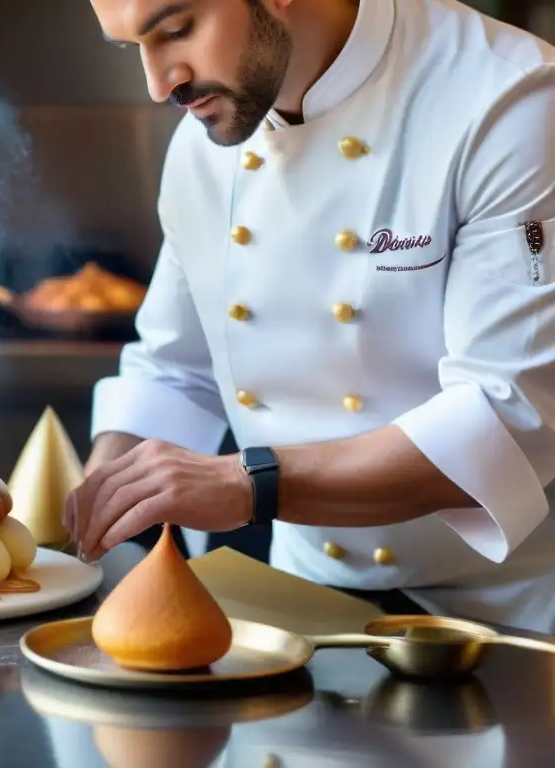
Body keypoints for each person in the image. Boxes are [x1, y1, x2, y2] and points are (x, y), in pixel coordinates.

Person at [66, 0, 555, 633]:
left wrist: (250, 484)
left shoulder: (508, 99)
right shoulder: (206, 140)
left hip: (510, 617)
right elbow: (175, 368)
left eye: (176, 30)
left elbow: (512, 413)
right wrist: (110, 486)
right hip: (301, 606)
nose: (160, 84)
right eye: (134, 47)